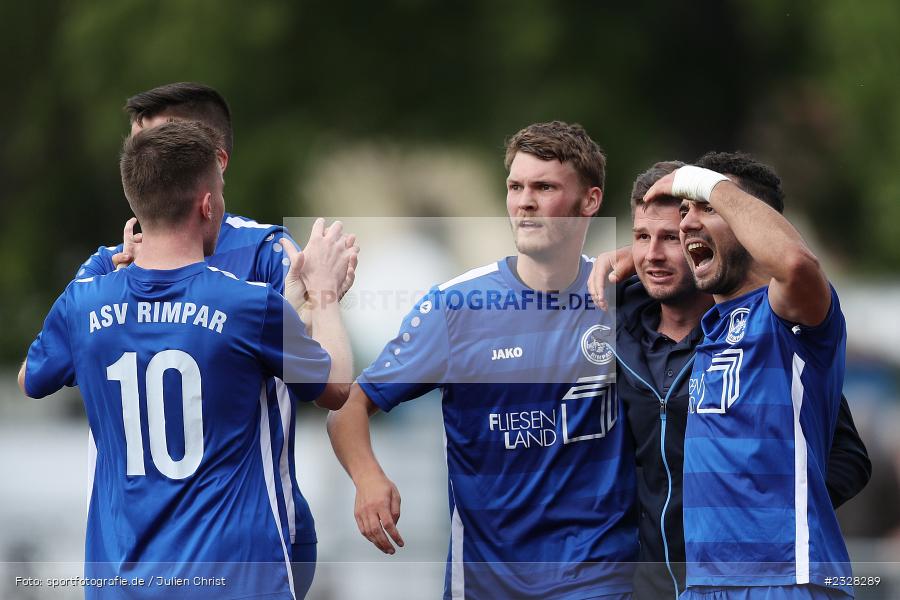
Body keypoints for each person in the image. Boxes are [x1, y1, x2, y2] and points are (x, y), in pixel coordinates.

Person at [18, 121, 355, 598]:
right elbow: (335, 387)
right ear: (208, 204)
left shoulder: (83, 302)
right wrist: (324, 295)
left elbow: (30, 379)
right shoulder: (247, 305)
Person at [327, 121, 638, 599]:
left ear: (590, 201)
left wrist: (643, 251)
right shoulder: (456, 307)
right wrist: (368, 478)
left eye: (545, 187)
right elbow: (348, 406)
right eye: (516, 187)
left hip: (599, 577)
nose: (525, 202)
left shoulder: (629, 296)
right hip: (487, 582)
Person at [591, 161, 870, 599]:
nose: (688, 223)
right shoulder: (710, 331)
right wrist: (643, 253)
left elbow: (795, 263)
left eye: (707, 208)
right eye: (685, 213)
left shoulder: (786, 319)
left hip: (784, 578)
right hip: (703, 585)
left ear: (749, 224)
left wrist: (706, 183)